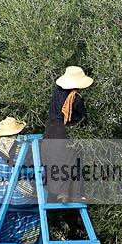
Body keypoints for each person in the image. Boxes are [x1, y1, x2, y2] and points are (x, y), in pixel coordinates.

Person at [41, 66, 92, 203]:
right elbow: (81, 119)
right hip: (64, 133)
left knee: (53, 161)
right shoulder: (76, 98)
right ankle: (73, 194)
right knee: (74, 161)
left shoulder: (57, 93)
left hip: (50, 132)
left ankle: (57, 193)